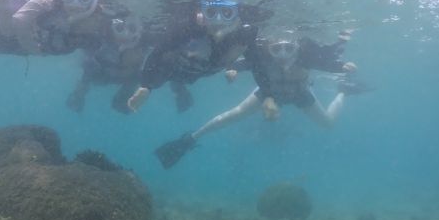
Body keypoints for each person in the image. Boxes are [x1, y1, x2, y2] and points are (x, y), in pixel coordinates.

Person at [154, 30, 370, 168]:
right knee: (235, 114)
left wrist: (341, 62)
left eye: (288, 48)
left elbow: (328, 59)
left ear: (296, 47)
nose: (283, 54)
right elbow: (240, 63)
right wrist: (232, 71)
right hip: (268, 92)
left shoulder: (307, 58)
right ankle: (190, 138)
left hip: (300, 93)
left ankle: (343, 92)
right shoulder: (263, 58)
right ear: (269, 49)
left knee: (328, 123)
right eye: (277, 49)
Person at [126, 0, 261, 113]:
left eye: (227, 13)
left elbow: (256, 61)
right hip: (176, 69)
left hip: (201, 71)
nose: (218, 20)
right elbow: (159, 52)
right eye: (211, 12)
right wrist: (146, 86)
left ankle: (179, 87)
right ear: (201, 14)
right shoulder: (187, 29)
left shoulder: (242, 36)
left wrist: (235, 67)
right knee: (168, 64)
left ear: (236, 17)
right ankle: (178, 88)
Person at [66, 15, 149, 114]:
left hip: (124, 77)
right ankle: (78, 95)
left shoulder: (142, 48)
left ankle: (121, 100)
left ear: (139, 32)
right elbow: (87, 70)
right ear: (113, 29)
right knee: (89, 71)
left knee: (136, 78)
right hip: (102, 74)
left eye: (132, 29)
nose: (125, 34)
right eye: (120, 28)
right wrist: (78, 93)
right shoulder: (101, 42)